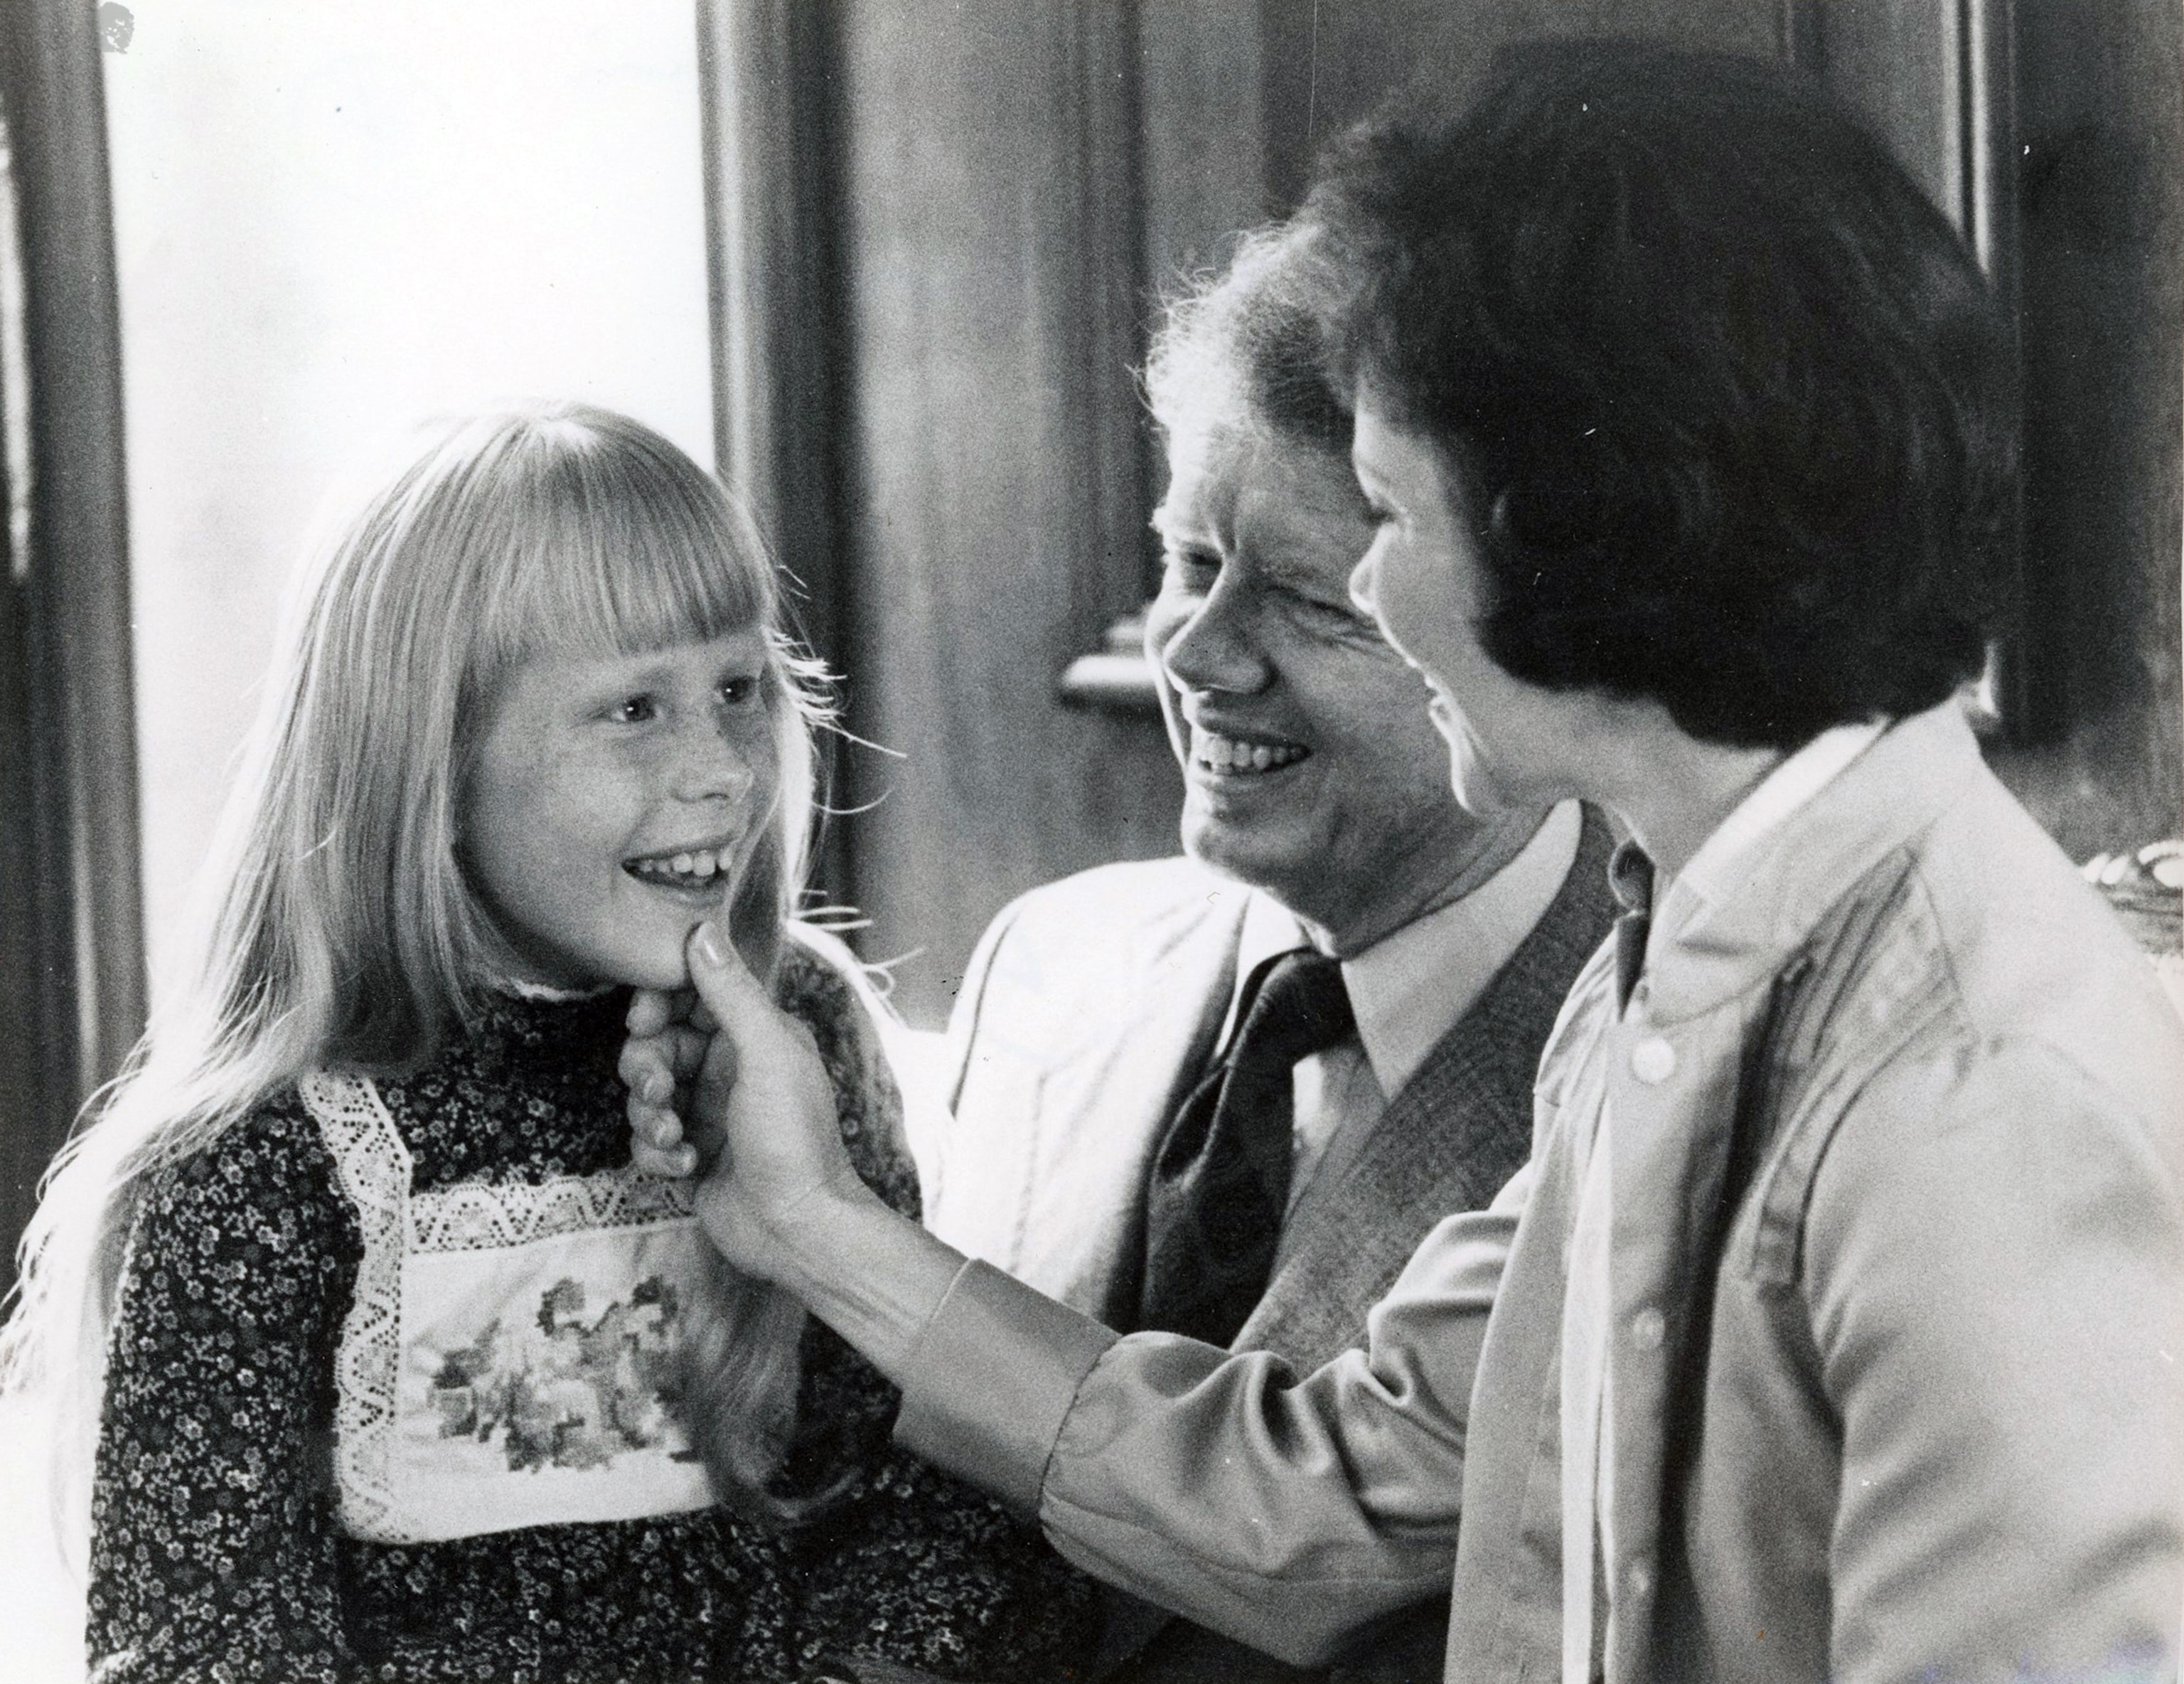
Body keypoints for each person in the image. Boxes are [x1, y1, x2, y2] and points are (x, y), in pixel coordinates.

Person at [625, 42, 2184, 1683]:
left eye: (1379, 519)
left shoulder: (1977, 1089)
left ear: (1587, 535)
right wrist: (806, 1220)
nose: (1370, 595)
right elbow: (1318, 1492)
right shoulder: (1686, 956)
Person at [640, 226, 1618, 1683]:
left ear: (1515, 637)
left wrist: (827, 1227)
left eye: (1305, 600)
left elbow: (1308, 1526)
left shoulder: (1649, 1047)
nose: (1198, 652)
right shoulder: (1052, 965)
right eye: (1189, 560)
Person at [0, 405, 1094, 1681]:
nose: (727, 772)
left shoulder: (801, 1039)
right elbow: (199, 1641)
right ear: (428, 761)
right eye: (633, 707)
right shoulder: (273, 1154)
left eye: (739, 689)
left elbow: (911, 1493)